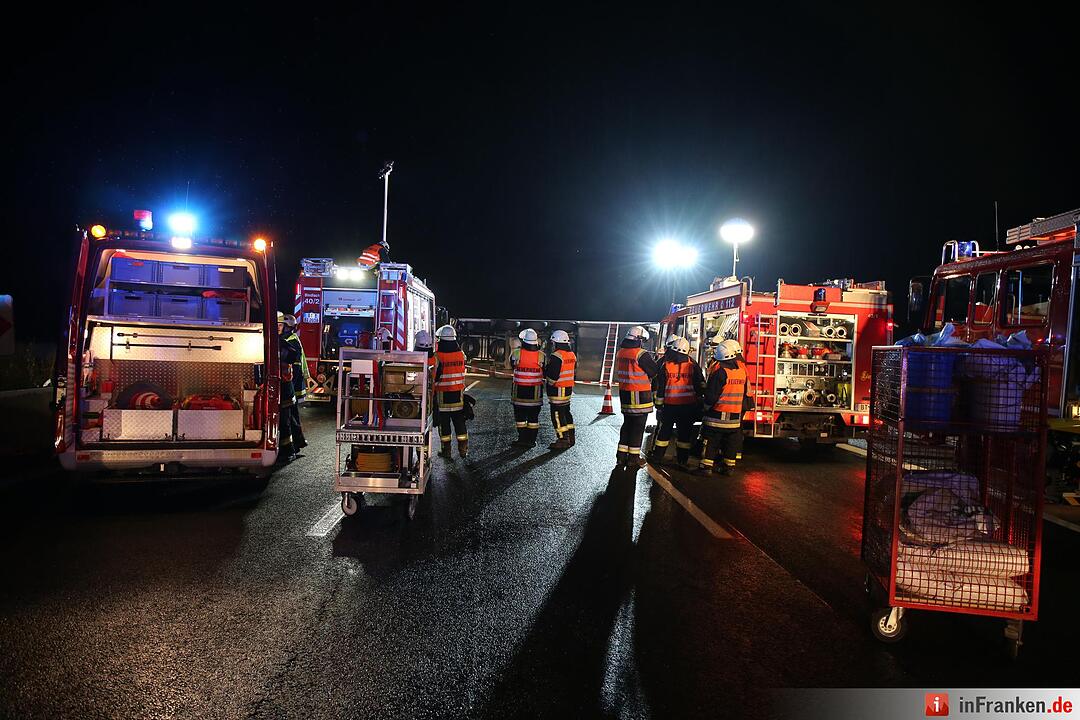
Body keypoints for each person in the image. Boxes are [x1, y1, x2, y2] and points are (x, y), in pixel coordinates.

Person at [695, 339, 749, 477]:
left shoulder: (720, 373)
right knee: (731, 443)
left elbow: (711, 396)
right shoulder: (741, 373)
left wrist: (705, 407)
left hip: (717, 416)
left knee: (711, 441)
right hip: (734, 417)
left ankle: (706, 467)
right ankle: (728, 467)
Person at [649, 336, 705, 468]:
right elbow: (700, 384)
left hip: (669, 405)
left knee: (664, 432)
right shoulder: (692, 364)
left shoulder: (666, 364)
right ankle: (682, 460)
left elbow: (661, 387)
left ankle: (657, 457)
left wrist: (658, 404)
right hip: (688, 406)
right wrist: (700, 399)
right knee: (684, 434)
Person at [615, 325, 660, 469]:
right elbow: (653, 371)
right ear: (639, 339)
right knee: (638, 427)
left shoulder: (621, 352)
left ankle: (621, 457)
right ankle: (633, 459)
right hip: (640, 396)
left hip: (625, 394)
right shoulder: (641, 354)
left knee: (627, 425)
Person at [433, 324, 469, 458]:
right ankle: (463, 449)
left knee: (444, 425)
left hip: (442, 395)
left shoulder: (437, 356)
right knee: (459, 423)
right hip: (458, 395)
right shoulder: (461, 354)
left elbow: (434, 376)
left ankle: (446, 451)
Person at [510, 328, 546, 448]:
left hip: (519, 393)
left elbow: (512, 365)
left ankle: (522, 439)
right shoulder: (542, 356)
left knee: (520, 418)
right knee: (533, 418)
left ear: (524, 342)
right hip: (535, 393)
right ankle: (531, 440)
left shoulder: (516, 354)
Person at [544, 329, 576, 450]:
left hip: (557, 390)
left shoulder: (557, 356)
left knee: (557, 415)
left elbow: (553, 376)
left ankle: (562, 439)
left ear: (555, 342)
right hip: (567, 389)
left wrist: (547, 379)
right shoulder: (571, 354)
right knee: (566, 413)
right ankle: (571, 437)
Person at [276, 311, 301, 464]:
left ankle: (289, 450)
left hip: (285, 386)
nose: (278, 328)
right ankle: (292, 446)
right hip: (280, 385)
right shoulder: (279, 341)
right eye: (277, 325)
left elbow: (293, 360)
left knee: (286, 421)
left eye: (280, 325)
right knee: (287, 419)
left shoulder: (287, 343)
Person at [282, 314, 308, 452]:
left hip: (290, 385)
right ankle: (297, 443)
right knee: (292, 415)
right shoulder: (289, 339)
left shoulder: (290, 342)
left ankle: (294, 446)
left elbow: (295, 368)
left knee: (290, 417)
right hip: (291, 385)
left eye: (282, 326)